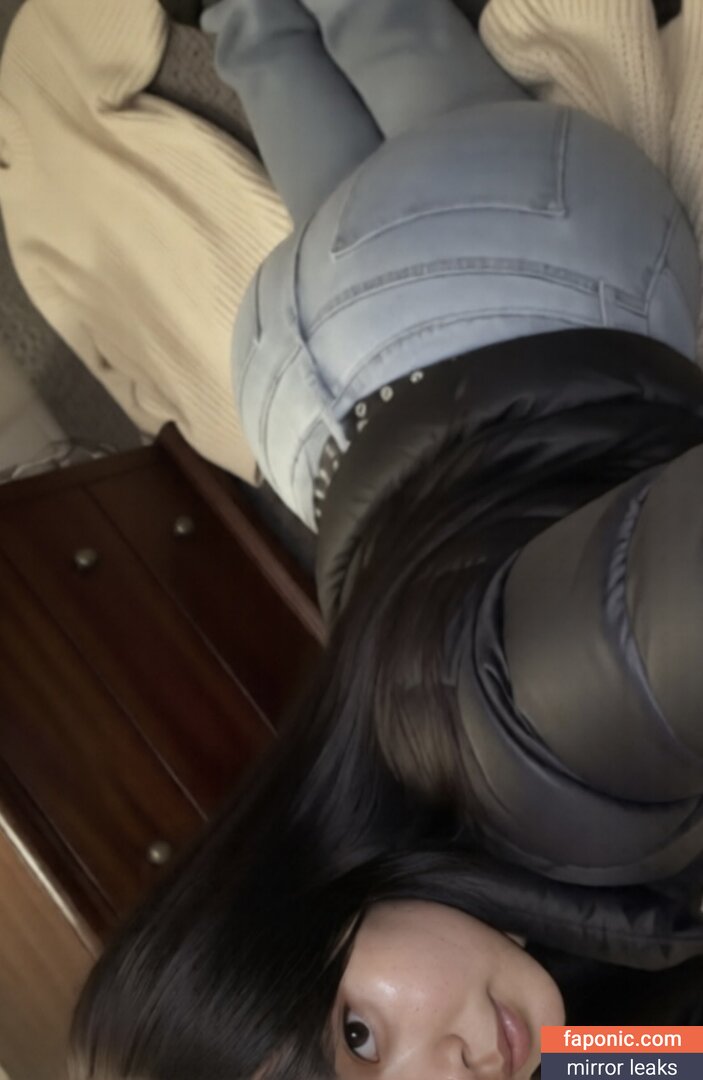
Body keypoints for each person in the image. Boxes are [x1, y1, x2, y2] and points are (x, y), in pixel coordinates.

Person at [71, 2, 703, 1078]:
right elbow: (657, 1058)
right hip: (302, 396)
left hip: (492, 259)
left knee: (389, 31)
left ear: (286, 915)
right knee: (282, 53)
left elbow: (623, 663)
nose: (445, 1073)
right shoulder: (502, 979)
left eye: (359, 1038)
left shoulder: (546, 731)